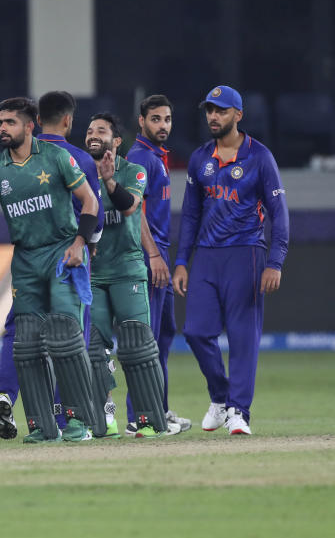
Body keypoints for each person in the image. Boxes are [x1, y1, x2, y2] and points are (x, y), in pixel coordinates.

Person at [0, 97, 100, 443]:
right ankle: (42, 425)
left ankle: (77, 422)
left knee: (66, 339)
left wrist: (79, 244)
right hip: (25, 260)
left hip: (61, 254)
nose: (2, 128)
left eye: (10, 122)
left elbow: (90, 201)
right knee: (26, 345)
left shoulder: (57, 157)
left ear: (30, 126)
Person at [173, 85, 289, 436]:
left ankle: (239, 412)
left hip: (246, 253)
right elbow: (191, 214)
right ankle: (221, 396)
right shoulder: (199, 159)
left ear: (238, 115)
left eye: (221, 110)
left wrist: (276, 260)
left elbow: (279, 212)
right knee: (195, 332)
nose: (213, 116)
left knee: (242, 338)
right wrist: (181, 260)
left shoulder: (259, 157)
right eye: (209, 110)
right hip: (206, 256)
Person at [0, 90, 102, 440]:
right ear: (68, 120)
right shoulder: (79, 158)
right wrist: (86, 245)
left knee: (20, 337)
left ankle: (9, 397)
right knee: (70, 338)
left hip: (27, 261)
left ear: (36, 122)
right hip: (67, 259)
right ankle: (72, 417)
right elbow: (93, 213)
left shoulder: (18, 159)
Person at [83, 111, 181, 438]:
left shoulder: (134, 171)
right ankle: (105, 416)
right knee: (95, 351)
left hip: (127, 272)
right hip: (93, 276)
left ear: (117, 141)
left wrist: (110, 180)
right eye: (90, 130)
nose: (93, 134)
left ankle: (148, 420)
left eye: (101, 130)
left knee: (138, 349)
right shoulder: (78, 174)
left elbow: (128, 207)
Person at [125, 94, 191, 433]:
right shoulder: (140, 159)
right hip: (149, 257)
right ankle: (139, 416)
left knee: (164, 335)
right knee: (146, 340)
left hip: (160, 254)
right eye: (155, 119)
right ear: (141, 121)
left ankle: (158, 410)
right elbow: (133, 212)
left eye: (166, 119)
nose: (162, 125)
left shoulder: (157, 157)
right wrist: (152, 256)